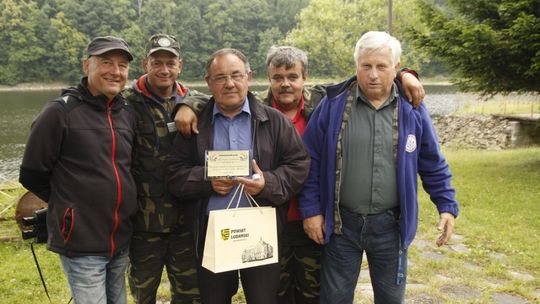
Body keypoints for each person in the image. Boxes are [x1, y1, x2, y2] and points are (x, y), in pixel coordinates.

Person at [173, 45, 426, 303]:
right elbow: (175, 171)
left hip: (300, 223)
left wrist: (403, 74)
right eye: (277, 78)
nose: (285, 84)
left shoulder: (321, 105)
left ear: (304, 78)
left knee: (306, 294)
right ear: (267, 78)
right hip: (227, 231)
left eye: (293, 77)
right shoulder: (212, 118)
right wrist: (189, 105)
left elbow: (366, 76)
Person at [298, 31, 459, 304]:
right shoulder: (333, 104)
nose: (373, 74)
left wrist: (446, 205)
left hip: (390, 226)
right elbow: (309, 161)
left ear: (396, 68)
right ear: (357, 66)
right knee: (334, 299)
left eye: (382, 66)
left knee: (391, 299)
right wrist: (311, 211)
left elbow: (431, 161)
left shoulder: (412, 109)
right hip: (341, 226)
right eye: (366, 66)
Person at [166, 48, 310, 304]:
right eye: (220, 78)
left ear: (249, 77)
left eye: (236, 75)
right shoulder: (194, 123)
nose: (229, 83)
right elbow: (174, 173)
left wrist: (269, 183)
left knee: (264, 299)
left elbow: (298, 164)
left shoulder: (273, 121)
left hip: (260, 230)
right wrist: (206, 181)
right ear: (208, 82)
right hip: (212, 233)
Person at [19, 36, 138, 304]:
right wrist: (70, 205)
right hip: (81, 241)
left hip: (120, 238)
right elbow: (31, 173)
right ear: (87, 66)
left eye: (122, 65)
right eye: (106, 62)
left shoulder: (126, 112)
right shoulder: (60, 113)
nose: (115, 71)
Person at [124, 34, 200, 304]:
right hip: (143, 225)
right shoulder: (126, 103)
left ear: (180, 65)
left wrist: (189, 104)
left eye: (170, 63)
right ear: (146, 63)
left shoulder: (194, 99)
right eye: (157, 62)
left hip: (185, 222)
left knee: (191, 294)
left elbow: (226, 101)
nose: (164, 69)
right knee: (143, 294)